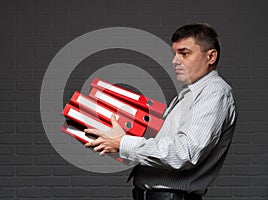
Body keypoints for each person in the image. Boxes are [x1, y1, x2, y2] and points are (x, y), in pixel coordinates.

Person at [84, 23, 237, 200]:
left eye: (184, 53)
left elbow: (184, 154)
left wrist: (123, 143)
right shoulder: (190, 94)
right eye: (175, 54)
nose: (175, 61)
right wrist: (119, 139)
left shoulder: (214, 93)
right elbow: (165, 148)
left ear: (211, 57)